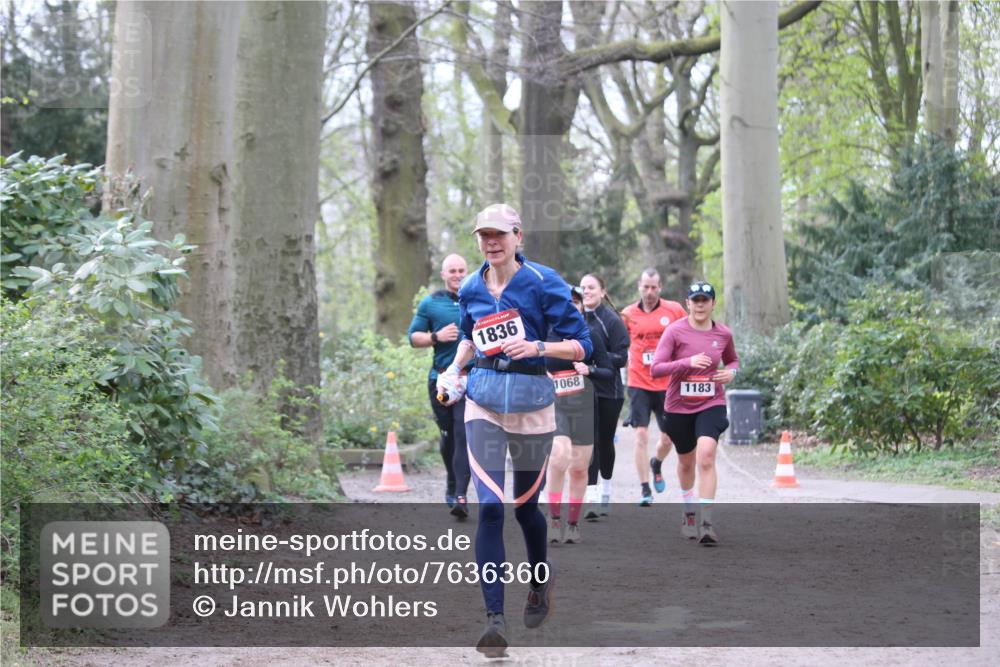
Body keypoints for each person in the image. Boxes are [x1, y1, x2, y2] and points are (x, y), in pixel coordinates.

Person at [435, 203, 592, 657]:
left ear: (518, 237)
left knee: (525, 510)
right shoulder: (469, 287)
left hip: (531, 407)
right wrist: (454, 371)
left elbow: (581, 343)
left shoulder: (545, 283)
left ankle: (541, 582)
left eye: (500, 235)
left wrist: (538, 346)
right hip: (482, 403)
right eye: (484, 236)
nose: (492, 243)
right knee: (490, 510)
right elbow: (468, 336)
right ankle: (495, 621)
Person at [650, 281, 738, 546]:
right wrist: (686, 363)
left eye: (705, 300)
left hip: (711, 403)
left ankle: (707, 522)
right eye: (695, 300)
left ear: (713, 304)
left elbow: (732, 359)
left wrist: (732, 372)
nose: (700, 305)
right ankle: (689, 513)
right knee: (686, 463)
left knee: (707, 456)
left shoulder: (723, 333)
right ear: (687, 303)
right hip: (678, 406)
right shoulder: (674, 332)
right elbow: (656, 368)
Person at [545, 285, 615, 544]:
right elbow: (529, 362)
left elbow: (608, 371)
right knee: (559, 456)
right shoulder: (546, 334)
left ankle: (572, 523)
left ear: (581, 307)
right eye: (567, 302)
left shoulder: (591, 335)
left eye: (577, 302)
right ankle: (554, 520)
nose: (572, 306)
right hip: (556, 406)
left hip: (585, 406)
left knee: (579, 468)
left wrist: (590, 370)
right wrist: (544, 374)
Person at [407, 254, 473, 519]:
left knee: (463, 434)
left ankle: (461, 494)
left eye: (462, 270)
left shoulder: (478, 297)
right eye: (453, 271)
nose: (457, 275)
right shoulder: (431, 303)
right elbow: (413, 337)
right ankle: (451, 480)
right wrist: (436, 337)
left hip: (471, 379)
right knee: (448, 435)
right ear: (444, 274)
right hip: (442, 379)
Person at [620, 269, 686, 506]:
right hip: (638, 382)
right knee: (641, 435)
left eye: (654, 287)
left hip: (667, 383)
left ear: (660, 288)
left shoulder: (674, 310)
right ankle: (644, 489)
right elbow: (619, 345)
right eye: (645, 287)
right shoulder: (627, 314)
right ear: (639, 286)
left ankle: (656, 463)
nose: (649, 292)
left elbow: (686, 338)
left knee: (668, 439)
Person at [578, 274, 629, 518]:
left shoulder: (611, 320)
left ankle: (606, 488)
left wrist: (597, 359)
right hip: (582, 390)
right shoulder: (574, 317)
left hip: (610, 390)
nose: (586, 291)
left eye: (591, 287)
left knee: (604, 441)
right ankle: (592, 493)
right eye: (583, 287)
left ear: (602, 291)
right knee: (589, 441)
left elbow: (622, 357)